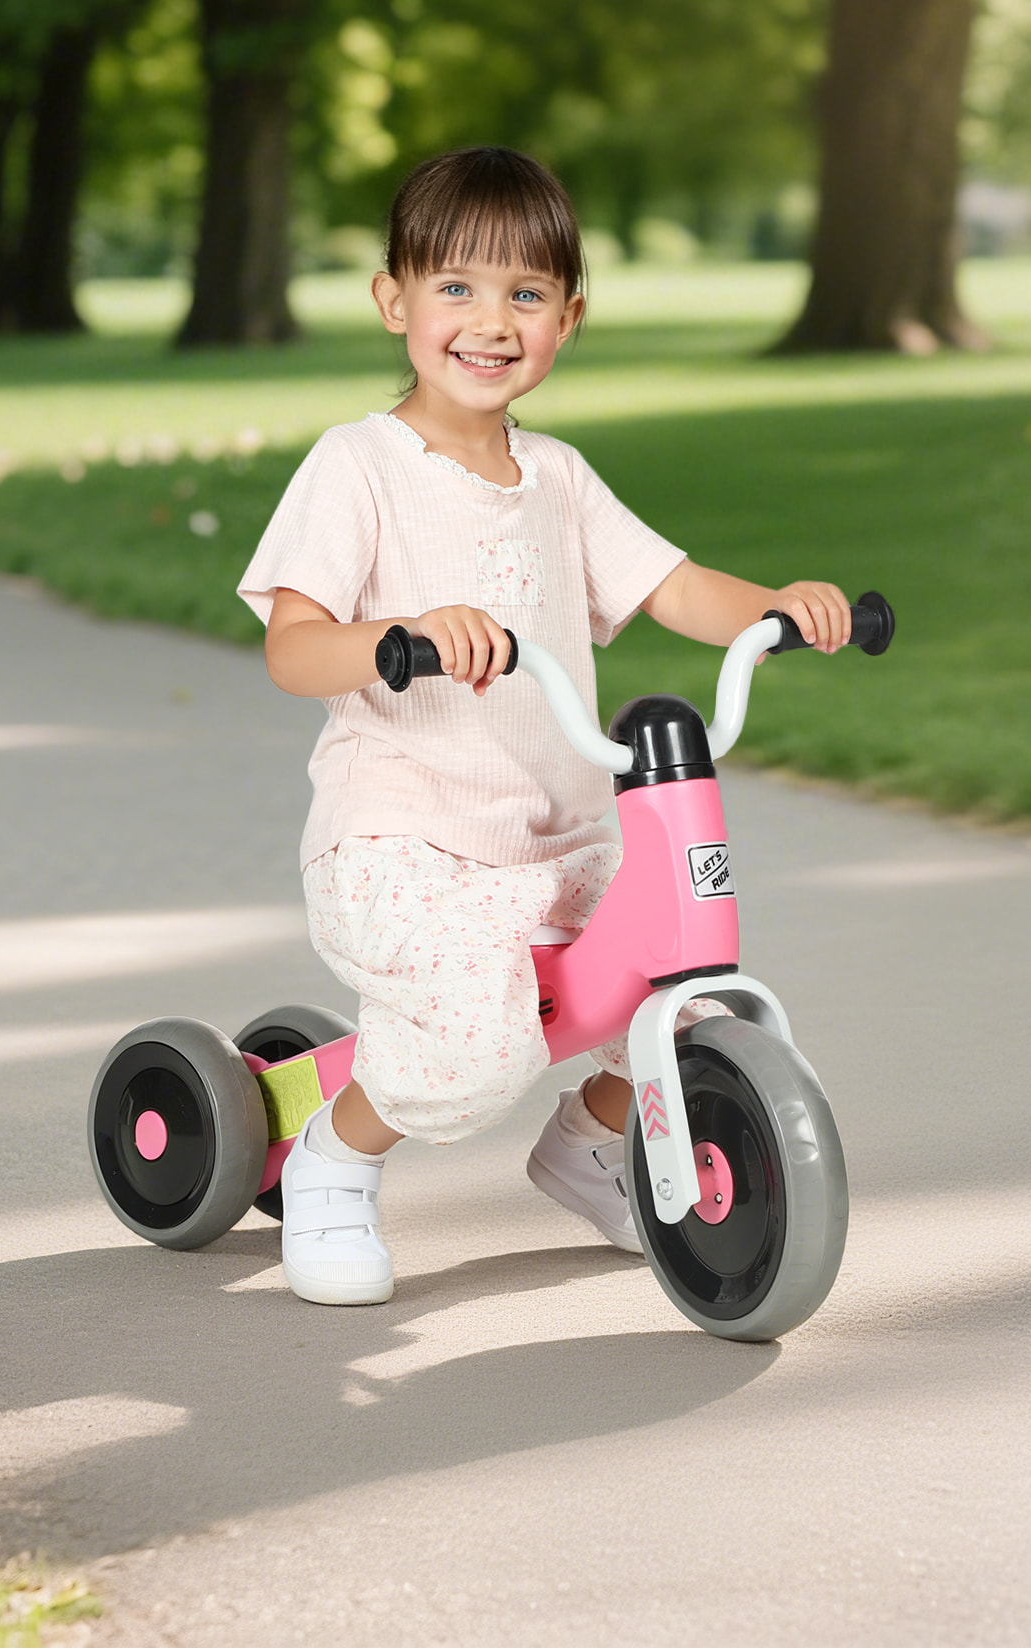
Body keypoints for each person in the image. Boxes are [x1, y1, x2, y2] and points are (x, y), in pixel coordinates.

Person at [237, 146, 851, 1306]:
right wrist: (396, 633)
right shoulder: (358, 466)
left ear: (567, 317)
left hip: (560, 838)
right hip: (407, 843)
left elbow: (673, 587)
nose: (490, 321)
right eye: (456, 289)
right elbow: (291, 643)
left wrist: (772, 608)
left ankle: (585, 1147)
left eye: (525, 294)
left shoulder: (558, 478)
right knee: (475, 1047)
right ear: (394, 302)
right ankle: (333, 1153)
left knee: (686, 983)